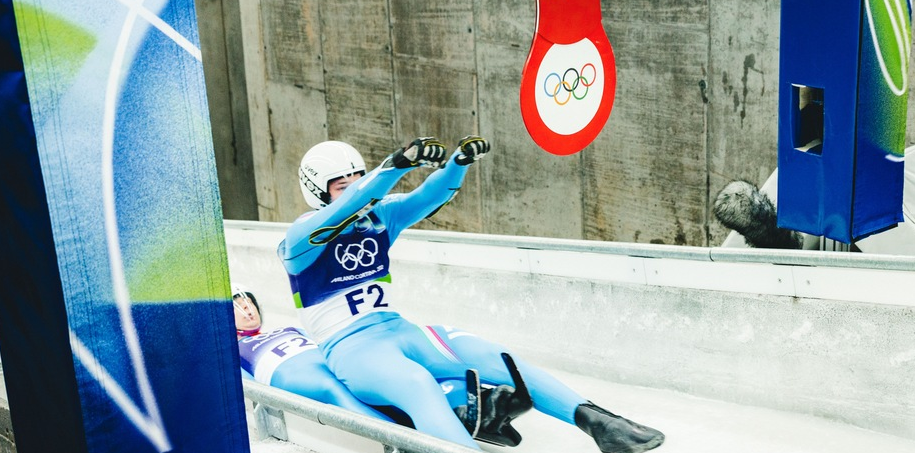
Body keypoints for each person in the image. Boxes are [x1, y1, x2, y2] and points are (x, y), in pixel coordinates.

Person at [278, 136, 665, 452]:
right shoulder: (299, 241)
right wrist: (393, 167)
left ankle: (601, 424)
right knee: (417, 386)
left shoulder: (380, 216)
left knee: (496, 357)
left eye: (356, 181)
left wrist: (457, 163)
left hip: (401, 331)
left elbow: (428, 197)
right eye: (342, 187)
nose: (354, 194)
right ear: (318, 192)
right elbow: (344, 210)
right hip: (353, 350)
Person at [233, 285, 396, 424]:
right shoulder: (235, 352)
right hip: (295, 375)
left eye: (249, 302)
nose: (247, 307)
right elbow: (250, 391)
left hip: (324, 364)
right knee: (332, 387)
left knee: (364, 379)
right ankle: (399, 440)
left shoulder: (289, 329)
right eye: (238, 305)